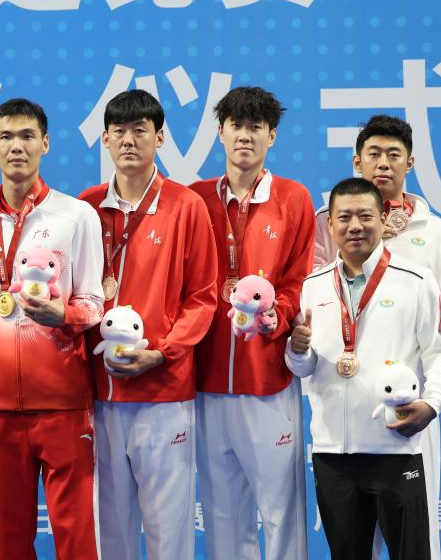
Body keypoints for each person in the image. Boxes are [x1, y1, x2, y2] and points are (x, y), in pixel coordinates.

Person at [312, 114, 441, 560]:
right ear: (357, 161)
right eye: (373, 154)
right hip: (343, 415)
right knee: (352, 544)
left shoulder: (440, 235)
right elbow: (314, 301)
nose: (383, 163)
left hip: (409, 413)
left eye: (394, 155)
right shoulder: (326, 226)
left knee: (417, 542)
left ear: (411, 162)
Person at [0, 98, 104, 559]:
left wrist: (65, 316)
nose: (16, 146)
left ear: (45, 143)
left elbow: (94, 301)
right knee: (10, 542)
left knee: (76, 539)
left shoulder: (76, 215)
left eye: (26, 136)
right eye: (6, 137)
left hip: (63, 402)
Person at [78, 89, 219, 559]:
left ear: (160, 137)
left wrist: (162, 353)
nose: (129, 140)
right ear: (104, 139)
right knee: (110, 530)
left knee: (168, 531)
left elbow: (203, 296)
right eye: (118, 131)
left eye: (140, 130)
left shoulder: (185, 206)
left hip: (164, 392)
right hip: (100, 394)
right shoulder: (85, 208)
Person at [189, 86, 311, 560]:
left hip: (268, 379)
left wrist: (277, 316)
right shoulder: (195, 198)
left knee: (282, 513)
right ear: (220, 132)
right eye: (235, 125)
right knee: (222, 513)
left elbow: (301, 278)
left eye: (255, 126)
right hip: (208, 381)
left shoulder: (294, 198)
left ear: (271, 136)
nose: (245, 135)